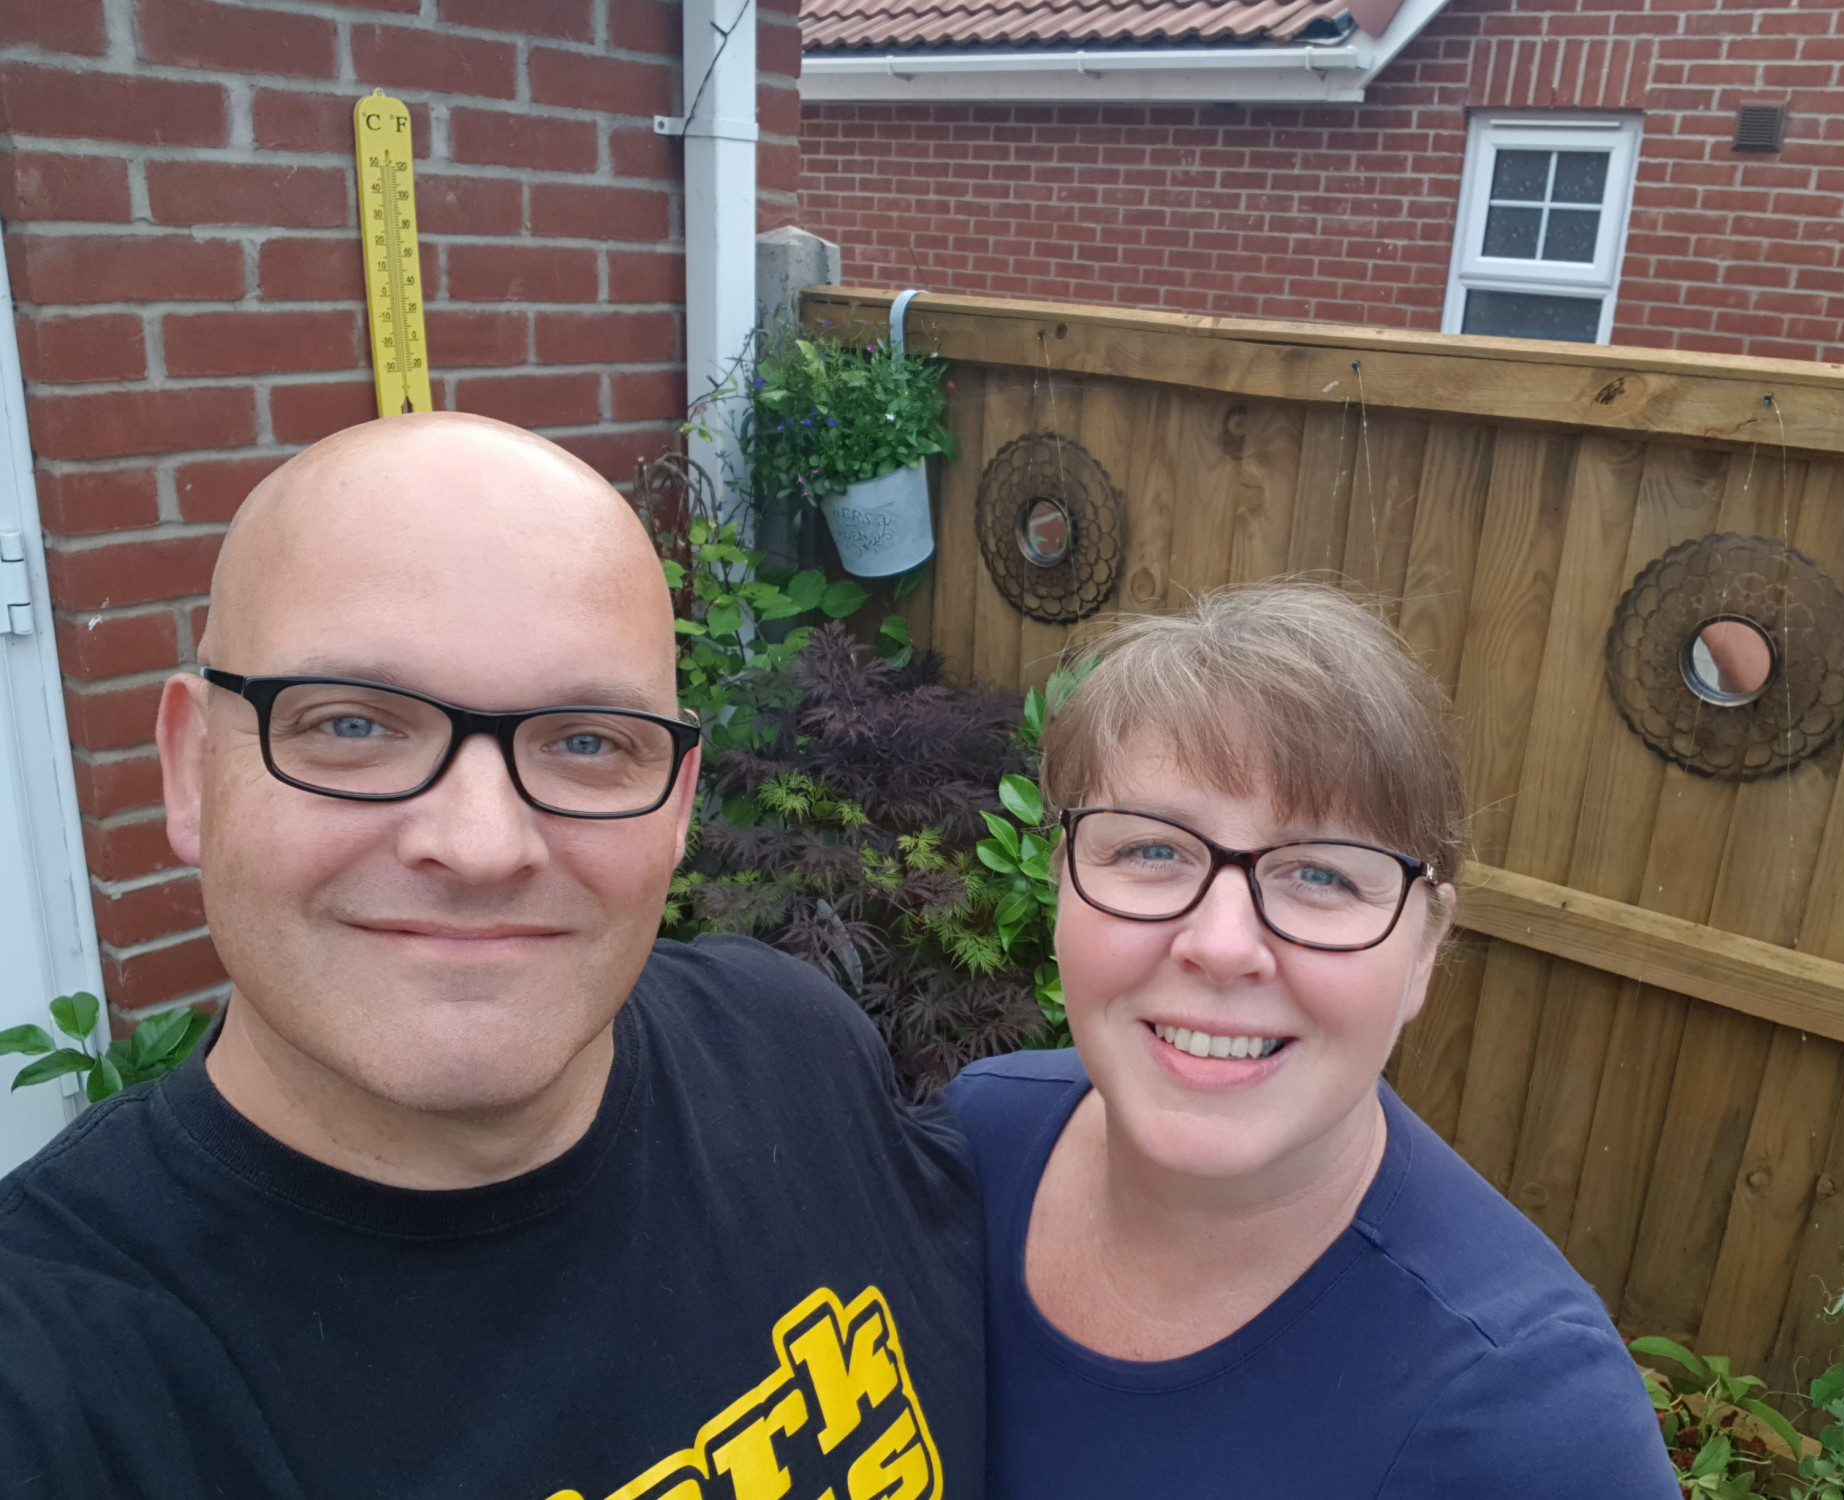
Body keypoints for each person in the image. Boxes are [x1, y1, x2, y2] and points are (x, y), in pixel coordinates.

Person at [0, 413, 981, 1500]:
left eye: (586, 742)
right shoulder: (62, 1377)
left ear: (678, 805)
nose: (477, 846)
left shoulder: (792, 1050)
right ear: (191, 771)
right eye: (353, 726)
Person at [949, 581, 1680, 1498]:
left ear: (1423, 950)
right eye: (1151, 850)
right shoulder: (975, 1142)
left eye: (1322, 875)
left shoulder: (1531, 1424)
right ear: (1063, 886)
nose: (1220, 944)